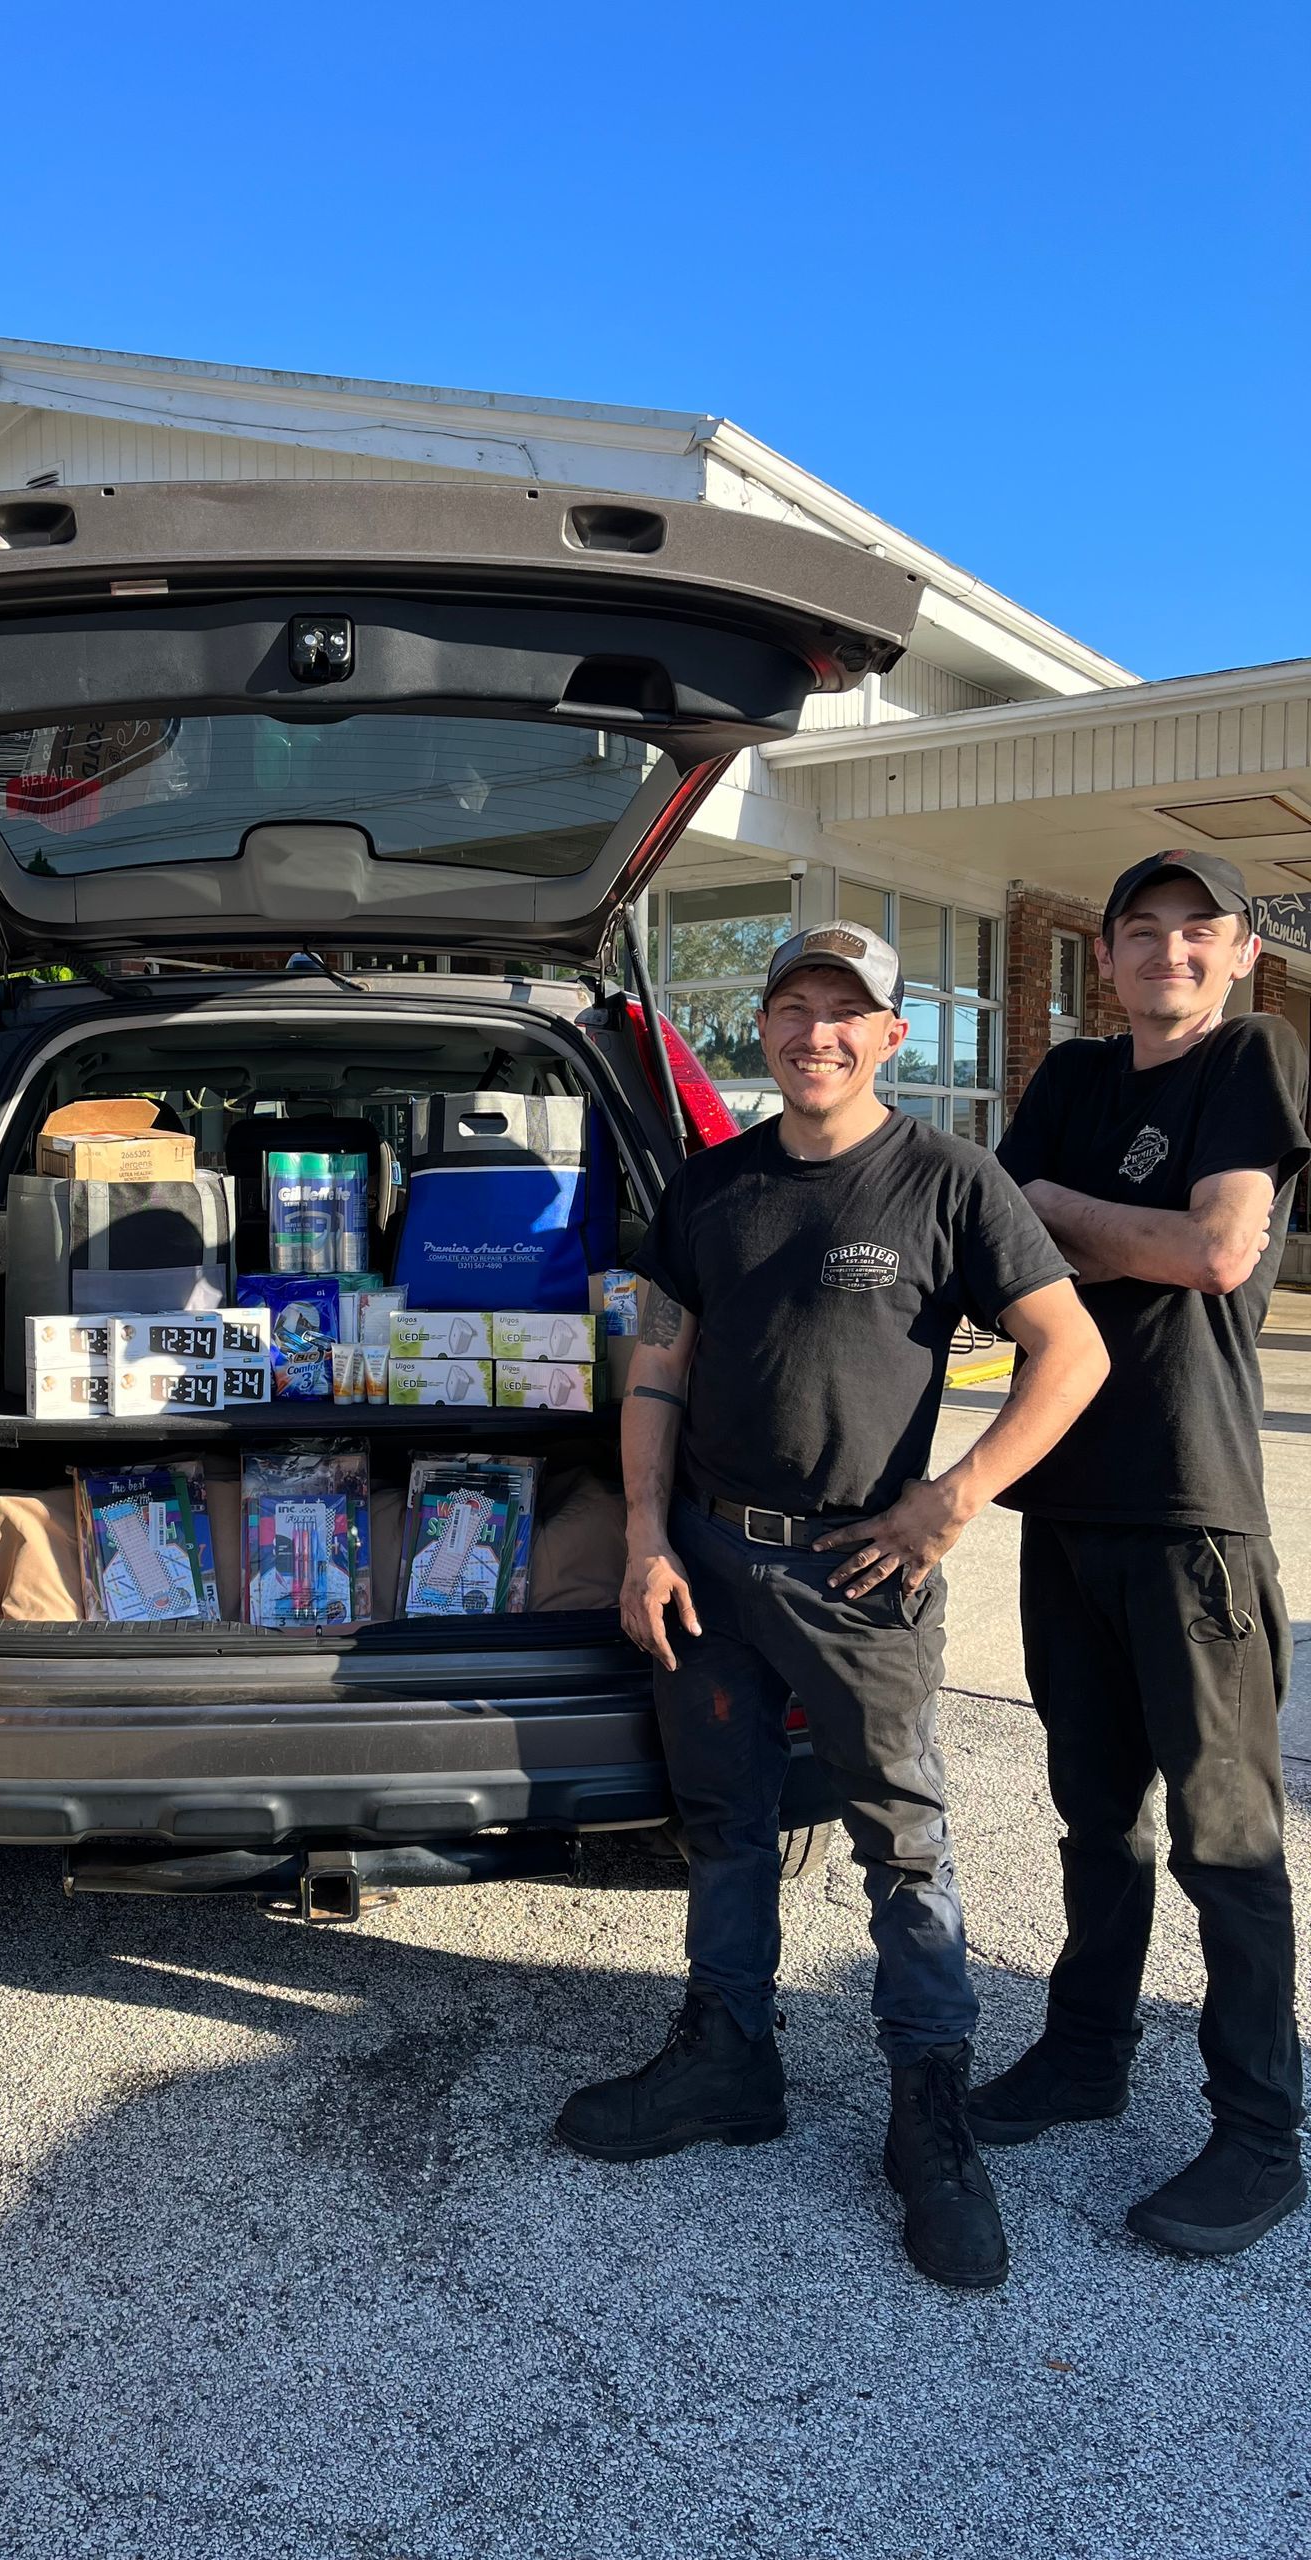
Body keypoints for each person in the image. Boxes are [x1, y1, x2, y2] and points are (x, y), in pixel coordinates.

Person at [555, 920, 1108, 2290]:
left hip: (861, 1573)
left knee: (900, 1844)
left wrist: (955, 1495)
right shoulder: (715, 1184)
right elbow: (660, 1367)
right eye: (795, 1007)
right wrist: (643, 1538)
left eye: (846, 1011)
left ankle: (929, 2116)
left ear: (892, 1035)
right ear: (767, 1026)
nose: (817, 1032)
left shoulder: (948, 1181)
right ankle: (729, 2059)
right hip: (707, 1560)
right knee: (726, 1826)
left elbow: (1072, 1352)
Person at [970, 850, 1309, 2259]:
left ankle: (1260, 2133)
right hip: (1068, 1502)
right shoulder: (1066, 1084)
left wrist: (1062, 1218)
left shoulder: (1257, 1057)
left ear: (1238, 954)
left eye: (1197, 931)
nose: (1168, 951)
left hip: (1193, 1512)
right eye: (1141, 932)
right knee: (1094, 1817)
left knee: (1225, 1841)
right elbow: (998, 1269)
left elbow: (1220, 1256)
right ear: (1100, 959)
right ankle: (1087, 2054)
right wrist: (1112, 1238)